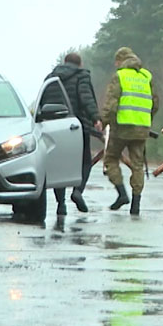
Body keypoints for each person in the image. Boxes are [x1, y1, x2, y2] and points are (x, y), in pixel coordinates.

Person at [40, 52, 102, 215]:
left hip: (55, 127)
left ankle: (61, 205)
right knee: (85, 162)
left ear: (64, 62)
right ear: (79, 64)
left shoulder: (51, 78)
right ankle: (77, 191)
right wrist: (96, 118)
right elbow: (86, 98)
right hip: (77, 126)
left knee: (60, 164)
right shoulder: (81, 76)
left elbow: (43, 101)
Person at [101, 46, 158, 215]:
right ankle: (136, 205)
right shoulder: (146, 76)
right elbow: (155, 104)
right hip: (141, 128)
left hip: (121, 127)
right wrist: (146, 121)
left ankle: (121, 193)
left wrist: (104, 123)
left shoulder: (119, 76)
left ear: (120, 60)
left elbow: (111, 104)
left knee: (111, 159)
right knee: (138, 165)